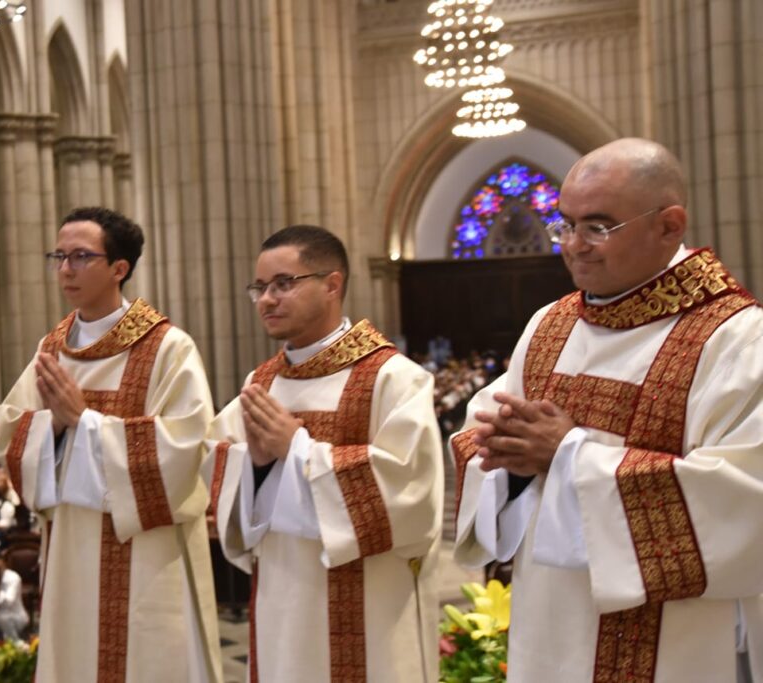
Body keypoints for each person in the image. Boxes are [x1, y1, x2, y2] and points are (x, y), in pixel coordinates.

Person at [452, 138, 763, 682]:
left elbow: (743, 501)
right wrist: (510, 462)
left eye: (598, 227)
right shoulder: (549, 325)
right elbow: (482, 435)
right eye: (564, 224)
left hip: (672, 643)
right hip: (546, 626)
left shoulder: (736, 339)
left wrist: (568, 454)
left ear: (669, 225)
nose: (574, 245)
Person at [206, 225, 444, 681]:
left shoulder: (394, 378)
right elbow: (219, 475)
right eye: (259, 287)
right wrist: (253, 465)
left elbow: (412, 500)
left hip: (370, 612)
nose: (266, 299)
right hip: (280, 599)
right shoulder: (262, 384)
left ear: (332, 284)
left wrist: (295, 449)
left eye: (283, 284)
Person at [0, 207, 222, 682]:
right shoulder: (51, 348)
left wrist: (84, 422)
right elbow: (11, 439)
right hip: (70, 553)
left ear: (119, 268)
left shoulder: (167, 348)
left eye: (80, 256)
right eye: (58, 256)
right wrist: (54, 430)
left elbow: (185, 452)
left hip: (148, 560)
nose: (65, 269)